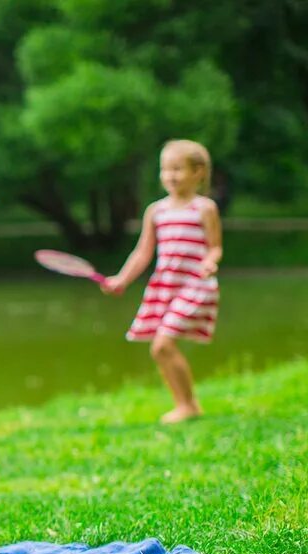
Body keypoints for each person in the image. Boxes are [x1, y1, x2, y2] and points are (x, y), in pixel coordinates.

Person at [101, 139, 222, 424]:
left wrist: (210, 261)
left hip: (195, 285)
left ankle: (188, 405)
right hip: (166, 286)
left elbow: (215, 246)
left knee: (161, 346)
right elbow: (143, 252)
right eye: (165, 169)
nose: (170, 175)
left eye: (178, 169)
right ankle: (185, 405)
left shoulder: (204, 208)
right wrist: (122, 279)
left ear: (198, 172)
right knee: (161, 349)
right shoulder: (156, 211)